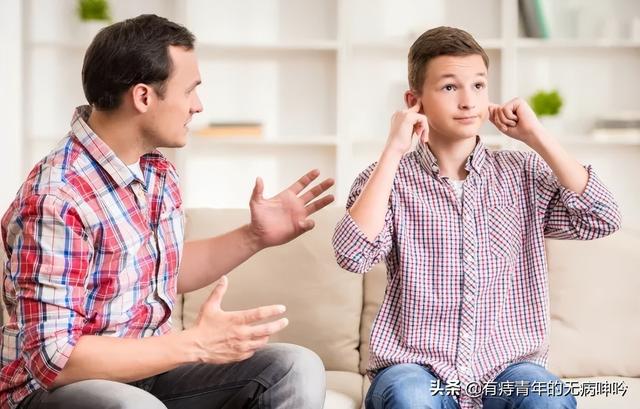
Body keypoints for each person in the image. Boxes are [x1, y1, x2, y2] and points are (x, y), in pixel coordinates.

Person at [0, 14, 333, 409]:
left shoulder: (156, 172)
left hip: (148, 373)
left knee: (294, 368)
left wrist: (253, 236)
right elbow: (55, 359)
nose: (198, 106)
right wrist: (195, 344)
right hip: (56, 390)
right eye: (190, 90)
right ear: (143, 97)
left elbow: (161, 271)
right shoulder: (57, 196)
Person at [332, 26, 621, 409]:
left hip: (507, 370)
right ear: (414, 101)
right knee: (410, 397)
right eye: (450, 87)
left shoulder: (522, 173)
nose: (469, 101)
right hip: (416, 369)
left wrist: (537, 136)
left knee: (546, 398)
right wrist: (393, 151)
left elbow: (602, 217)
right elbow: (353, 255)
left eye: (479, 86)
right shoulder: (386, 180)